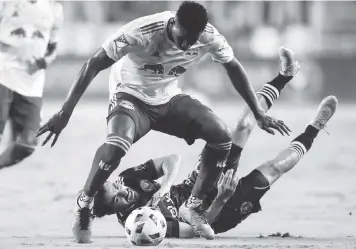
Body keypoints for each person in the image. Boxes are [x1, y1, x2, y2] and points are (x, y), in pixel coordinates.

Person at [36, 1, 290, 242]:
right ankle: (85, 202)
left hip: (167, 99)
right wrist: (64, 113)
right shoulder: (142, 32)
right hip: (131, 95)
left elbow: (233, 67)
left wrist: (258, 112)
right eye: (182, 38)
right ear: (173, 23)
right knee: (116, 145)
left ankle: (193, 207)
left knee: (221, 135)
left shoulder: (209, 37)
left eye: (192, 40)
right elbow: (92, 65)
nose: (185, 45)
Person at [91, 47, 324, 240]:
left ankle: (285, 75)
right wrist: (222, 197)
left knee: (241, 126)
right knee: (274, 169)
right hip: (221, 211)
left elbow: (172, 160)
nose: (124, 191)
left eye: (116, 187)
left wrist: (164, 188)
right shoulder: (139, 226)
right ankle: (314, 129)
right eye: (117, 199)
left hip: (198, 182)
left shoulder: (128, 178)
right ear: (113, 211)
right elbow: (194, 231)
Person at [0, 0, 63, 169]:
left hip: (30, 83)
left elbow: (52, 47)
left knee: (28, 144)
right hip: (3, 73)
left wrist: (44, 62)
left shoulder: (54, 8)